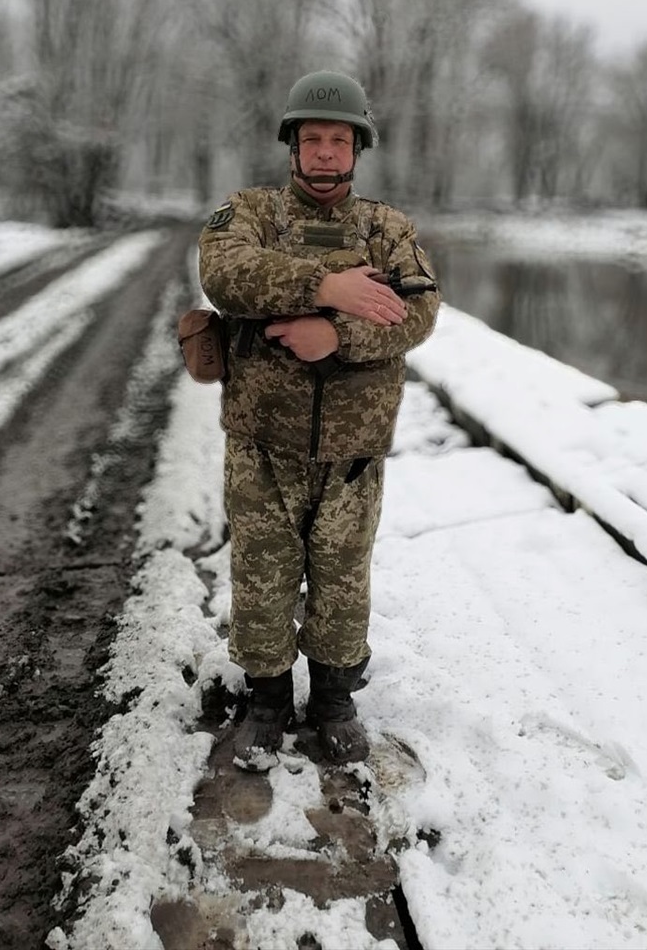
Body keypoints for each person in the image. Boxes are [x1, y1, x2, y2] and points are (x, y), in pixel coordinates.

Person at [198, 70, 440, 771]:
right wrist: (327, 286)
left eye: (339, 140)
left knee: (340, 574)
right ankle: (267, 700)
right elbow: (225, 274)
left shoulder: (386, 228)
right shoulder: (247, 213)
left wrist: (337, 336)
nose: (327, 153)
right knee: (263, 572)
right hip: (262, 441)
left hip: (352, 448)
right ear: (292, 146)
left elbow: (418, 311)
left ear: (357, 148)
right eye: (313, 140)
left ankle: (333, 700)